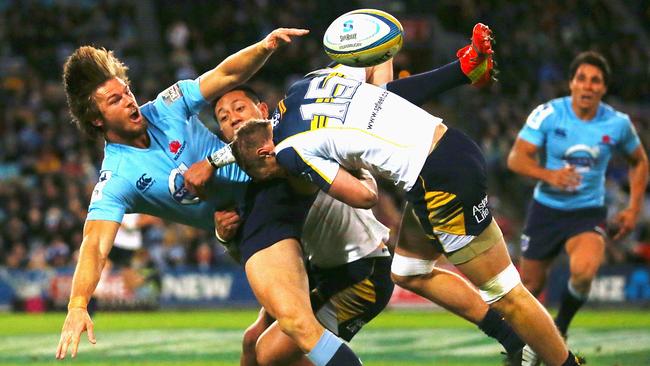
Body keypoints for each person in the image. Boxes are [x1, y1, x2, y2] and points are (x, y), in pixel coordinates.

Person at [230, 49, 584, 366]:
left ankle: (562, 362)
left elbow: (365, 196)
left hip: (439, 178)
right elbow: (382, 77)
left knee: (506, 294)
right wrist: (458, 70)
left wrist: (350, 165)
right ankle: (517, 344)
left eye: (270, 172)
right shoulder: (304, 88)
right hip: (443, 156)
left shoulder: (289, 152)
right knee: (409, 271)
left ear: (266, 152)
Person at [54, 27, 310, 360]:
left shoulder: (166, 106)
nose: (130, 101)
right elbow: (95, 244)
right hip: (246, 233)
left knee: (287, 337)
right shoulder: (116, 178)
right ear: (96, 118)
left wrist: (264, 46)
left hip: (275, 191)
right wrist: (77, 304)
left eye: (126, 91)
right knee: (259, 345)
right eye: (115, 101)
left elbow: (227, 73)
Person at [507, 51, 648, 365]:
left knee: (583, 273)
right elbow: (516, 158)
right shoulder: (548, 114)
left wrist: (633, 209)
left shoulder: (618, 123)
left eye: (595, 80)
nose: (587, 85)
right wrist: (549, 175)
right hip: (546, 210)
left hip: (586, 213)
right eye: (581, 78)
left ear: (603, 89)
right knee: (530, 286)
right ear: (571, 83)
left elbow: (639, 161)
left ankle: (560, 328)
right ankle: (525, 350)